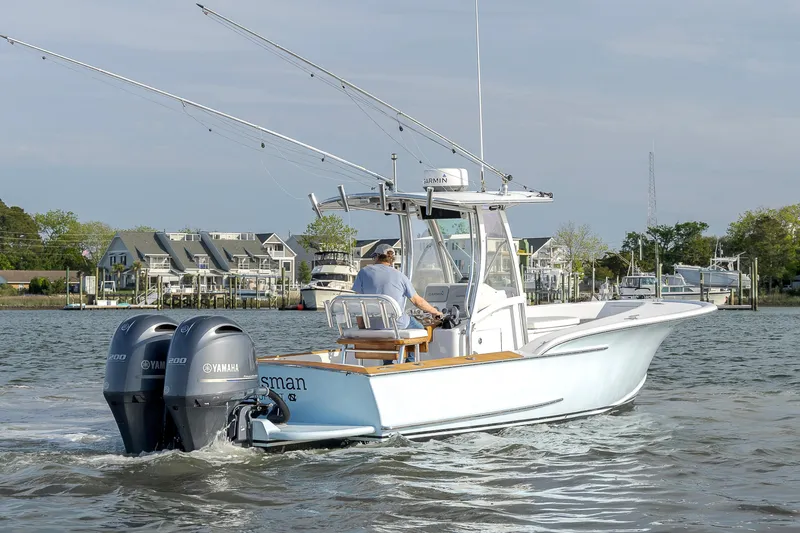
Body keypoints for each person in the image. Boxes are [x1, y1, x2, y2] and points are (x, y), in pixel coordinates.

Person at [351, 243, 443, 331]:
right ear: (392, 259)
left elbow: (359, 301)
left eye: (374, 257)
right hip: (397, 324)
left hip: (371, 325)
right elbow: (418, 301)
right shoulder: (401, 276)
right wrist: (435, 312)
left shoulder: (363, 272)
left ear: (377, 256)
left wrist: (361, 325)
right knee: (424, 332)